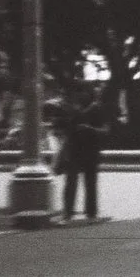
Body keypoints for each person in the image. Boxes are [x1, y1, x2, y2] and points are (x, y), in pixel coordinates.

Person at [60, 83, 109, 221]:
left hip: (90, 149)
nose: (80, 95)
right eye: (78, 92)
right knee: (71, 181)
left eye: (82, 92)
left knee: (90, 182)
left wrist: (90, 129)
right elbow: (66, 130)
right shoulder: (72, 110)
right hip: (75, 149)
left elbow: (106, 130)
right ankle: (68, 212)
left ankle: (91, 212)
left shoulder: (96, 109)